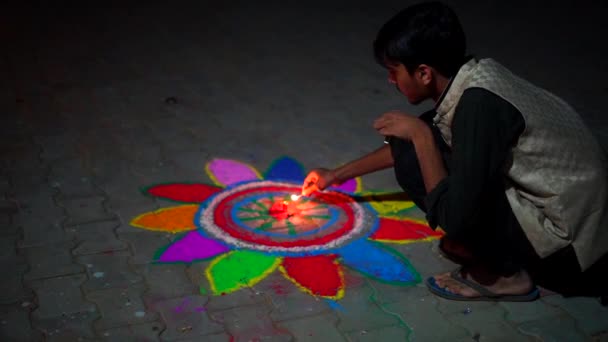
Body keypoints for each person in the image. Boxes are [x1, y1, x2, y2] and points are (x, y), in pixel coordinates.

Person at [300, 1, 608, 301]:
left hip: (571, 249)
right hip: (576, 220)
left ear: (423, 73)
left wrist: (420, 136)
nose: (390, 80)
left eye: (394, 71)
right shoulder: (471, 77)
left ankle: (502, 276)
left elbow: (454, 216)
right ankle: (494, 250)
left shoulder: (477, 107)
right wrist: (335, 175)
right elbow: (416, 141)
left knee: (418, 161)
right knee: (418, 146)